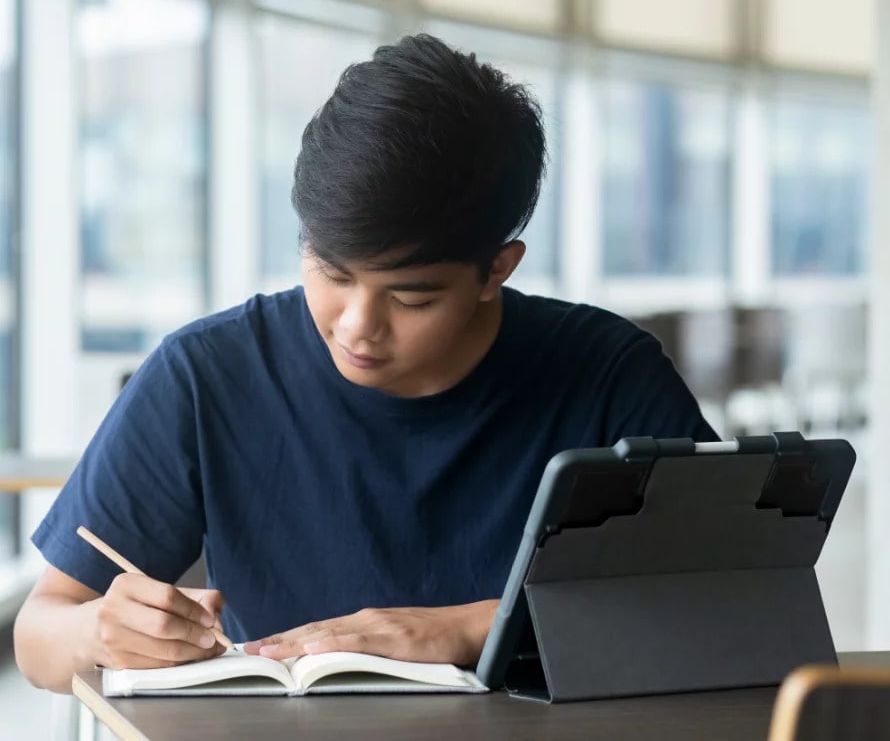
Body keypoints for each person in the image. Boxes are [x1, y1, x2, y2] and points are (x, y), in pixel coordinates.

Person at [14, 34, 717, 693]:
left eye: (411, 297)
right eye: (330, 271)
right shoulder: (206, 376)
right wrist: (96, 631)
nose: (356, 327)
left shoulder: (605, 374)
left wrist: (468, 628)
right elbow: (38, 635)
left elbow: (726, 601)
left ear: (495, 269)